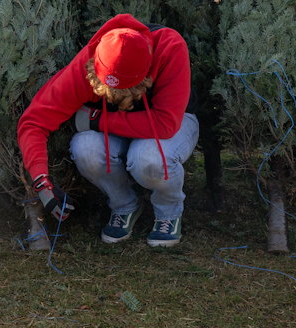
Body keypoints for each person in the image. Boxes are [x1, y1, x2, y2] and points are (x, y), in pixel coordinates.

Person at [16, 14, 199, 247]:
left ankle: (169, 212)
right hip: (123, 128)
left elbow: (166, 124)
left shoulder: (170, 46)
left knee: (147, 158)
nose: (116, 98)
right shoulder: (87, 62)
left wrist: (97, 121)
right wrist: (42, 181)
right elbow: (34, 121)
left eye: (124, 93)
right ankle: (124, 206)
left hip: (173, 121)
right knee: (85, 149)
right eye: (107, 90)